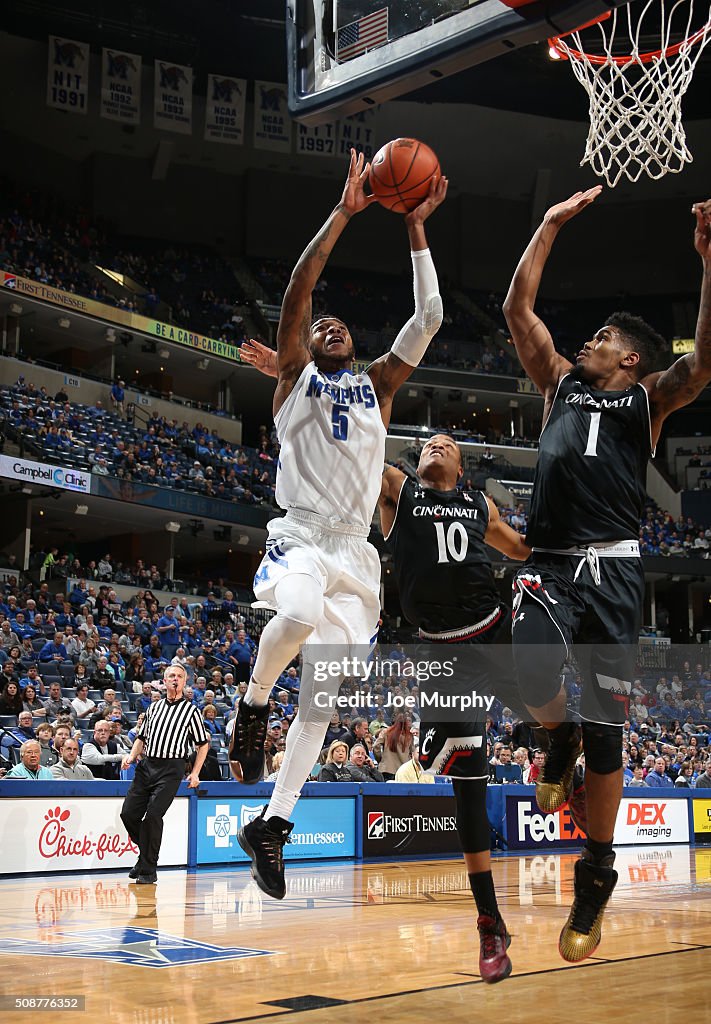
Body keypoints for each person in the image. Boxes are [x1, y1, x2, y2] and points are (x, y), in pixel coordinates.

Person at [502, 188, 711, 963]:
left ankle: (595, 871)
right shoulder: (558, 382)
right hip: (551, 563)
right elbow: (517, 312)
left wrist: (707, 262)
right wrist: (547, 227)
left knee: (608, 737)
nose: (584, 341)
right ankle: (551, 741)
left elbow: (705, 361)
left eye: (600, 337)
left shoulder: (647, 403)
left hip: (614, 576)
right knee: (526, 669)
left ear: (629, 358)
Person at [232, 150, 448, 900]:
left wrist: (415, 229)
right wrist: (346, 213)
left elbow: (429, 319)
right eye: (318, 325)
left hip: (356, 554)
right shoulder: (291, 376)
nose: (326, 324)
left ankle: (272, 825)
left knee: (323, 699)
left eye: (337, 323)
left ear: (353, 344)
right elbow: (299, 287)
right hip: (299, 534)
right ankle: (253, 701)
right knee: (289, 613)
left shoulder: (377, 385)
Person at [379, 432, 530, 982]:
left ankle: (576, 777)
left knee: (547, 708)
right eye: (426, 444)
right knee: (470, 782)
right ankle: (490, 921)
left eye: (445, 444)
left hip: (493, 631)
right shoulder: (398, 491)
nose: (434, 446)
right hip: (442, 653)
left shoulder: (478, 504)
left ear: (463, 465)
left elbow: (518, 549)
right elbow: (359, 445)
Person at [120, 664, 208, 883]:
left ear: (184, 681)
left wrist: (195, 772)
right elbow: (141, 737)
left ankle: (148, 869)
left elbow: (203, 744)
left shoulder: (191, 711)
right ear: (165, 681)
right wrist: (131, 756)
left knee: (153, 816)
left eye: (179, 676)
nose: (175, 679)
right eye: (171, 676)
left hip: (171, 769)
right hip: (147, 765)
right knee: (128, 813)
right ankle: (145, 856)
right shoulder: (154, 707)